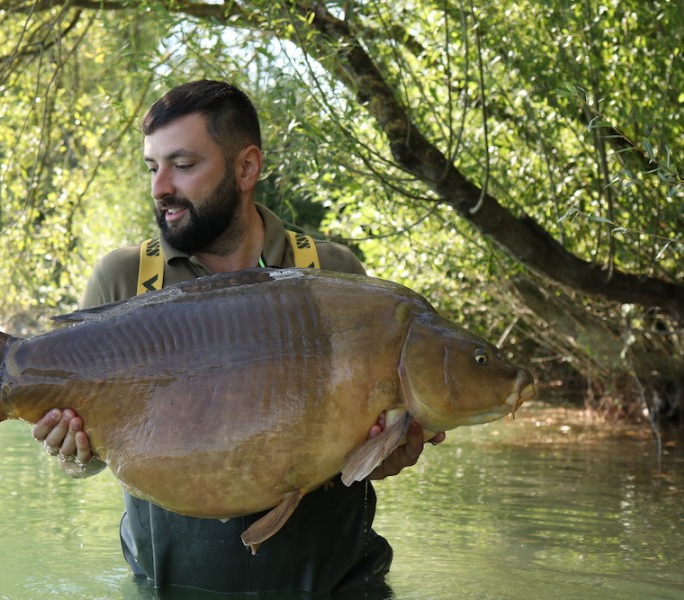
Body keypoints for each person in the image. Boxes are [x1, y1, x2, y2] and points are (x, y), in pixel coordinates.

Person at [31, 80, 445, 595]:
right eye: (152, 167)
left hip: (339, 586)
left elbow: (359, 456)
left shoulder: (333, 274)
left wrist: (392, 454)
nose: (160, 186)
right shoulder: (125, 279)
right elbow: (87, 461)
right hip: (172, 587)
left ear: (246, 168)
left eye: (182, 165)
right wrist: (70, 453)